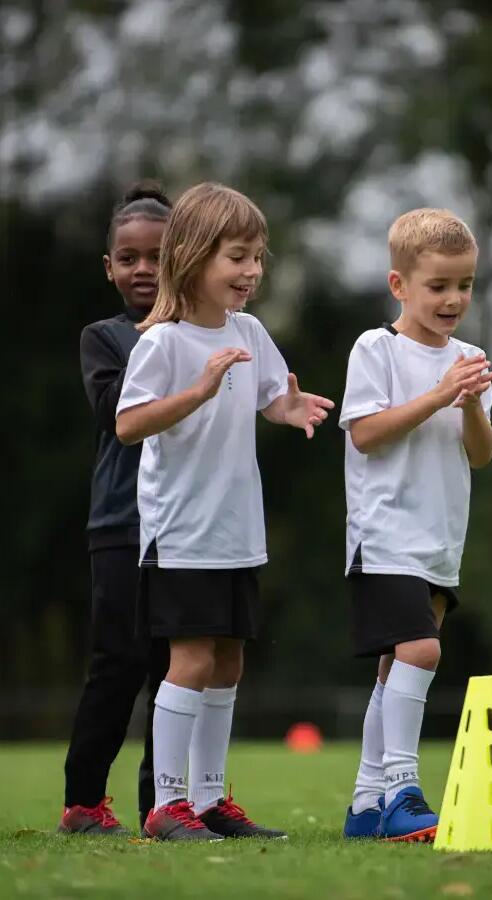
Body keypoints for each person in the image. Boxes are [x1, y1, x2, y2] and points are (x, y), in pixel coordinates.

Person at [116, 182, 335, 841]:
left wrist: (289, 409)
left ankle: (210, 801)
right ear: (190, 255)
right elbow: (129, 424)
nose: (252, 272)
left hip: (237, 531)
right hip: (181, 533)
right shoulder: (163, 344)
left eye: (259, 257)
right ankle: (167, 804)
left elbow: (271, 396)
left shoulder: (251, 331)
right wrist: (200, 388)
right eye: (237, 256)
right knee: (190, 661)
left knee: (230, 660)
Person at [339, 208, 492, 843]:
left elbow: (481, 454)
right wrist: (437, 394)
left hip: (439, 539)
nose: (454, 299)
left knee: (394, 667)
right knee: (422, 651)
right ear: (399, 285)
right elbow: (367, 434)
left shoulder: (471, 359)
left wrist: (470, 406)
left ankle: (365, 805)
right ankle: (404, 791)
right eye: (438, 286)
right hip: (382, 536)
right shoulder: (375, 349)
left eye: (464, 285)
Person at [58, 183, 173, 836]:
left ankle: (164, 805)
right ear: (109, 267)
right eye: (128, 258)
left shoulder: (206, 335)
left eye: (157, 256)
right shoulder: (102, 339)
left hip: (187, 525)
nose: (143, 270)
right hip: (119, 523)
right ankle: (82, 800)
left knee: (174, 669)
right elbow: (113, 414)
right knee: (119, 664)